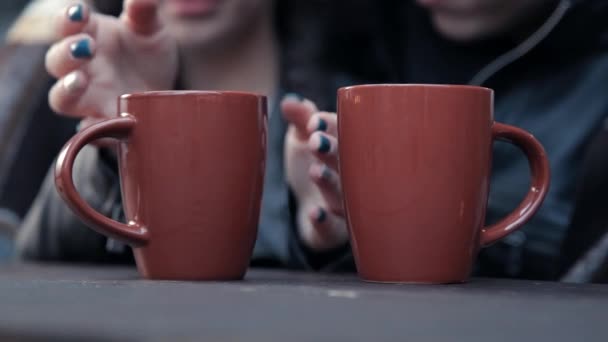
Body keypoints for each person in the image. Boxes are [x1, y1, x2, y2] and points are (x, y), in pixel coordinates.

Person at [15, 0, 350, 270]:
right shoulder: (79, 77)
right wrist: (112, 156)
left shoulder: (364, 101)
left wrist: (338, 244)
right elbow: (31, 258)